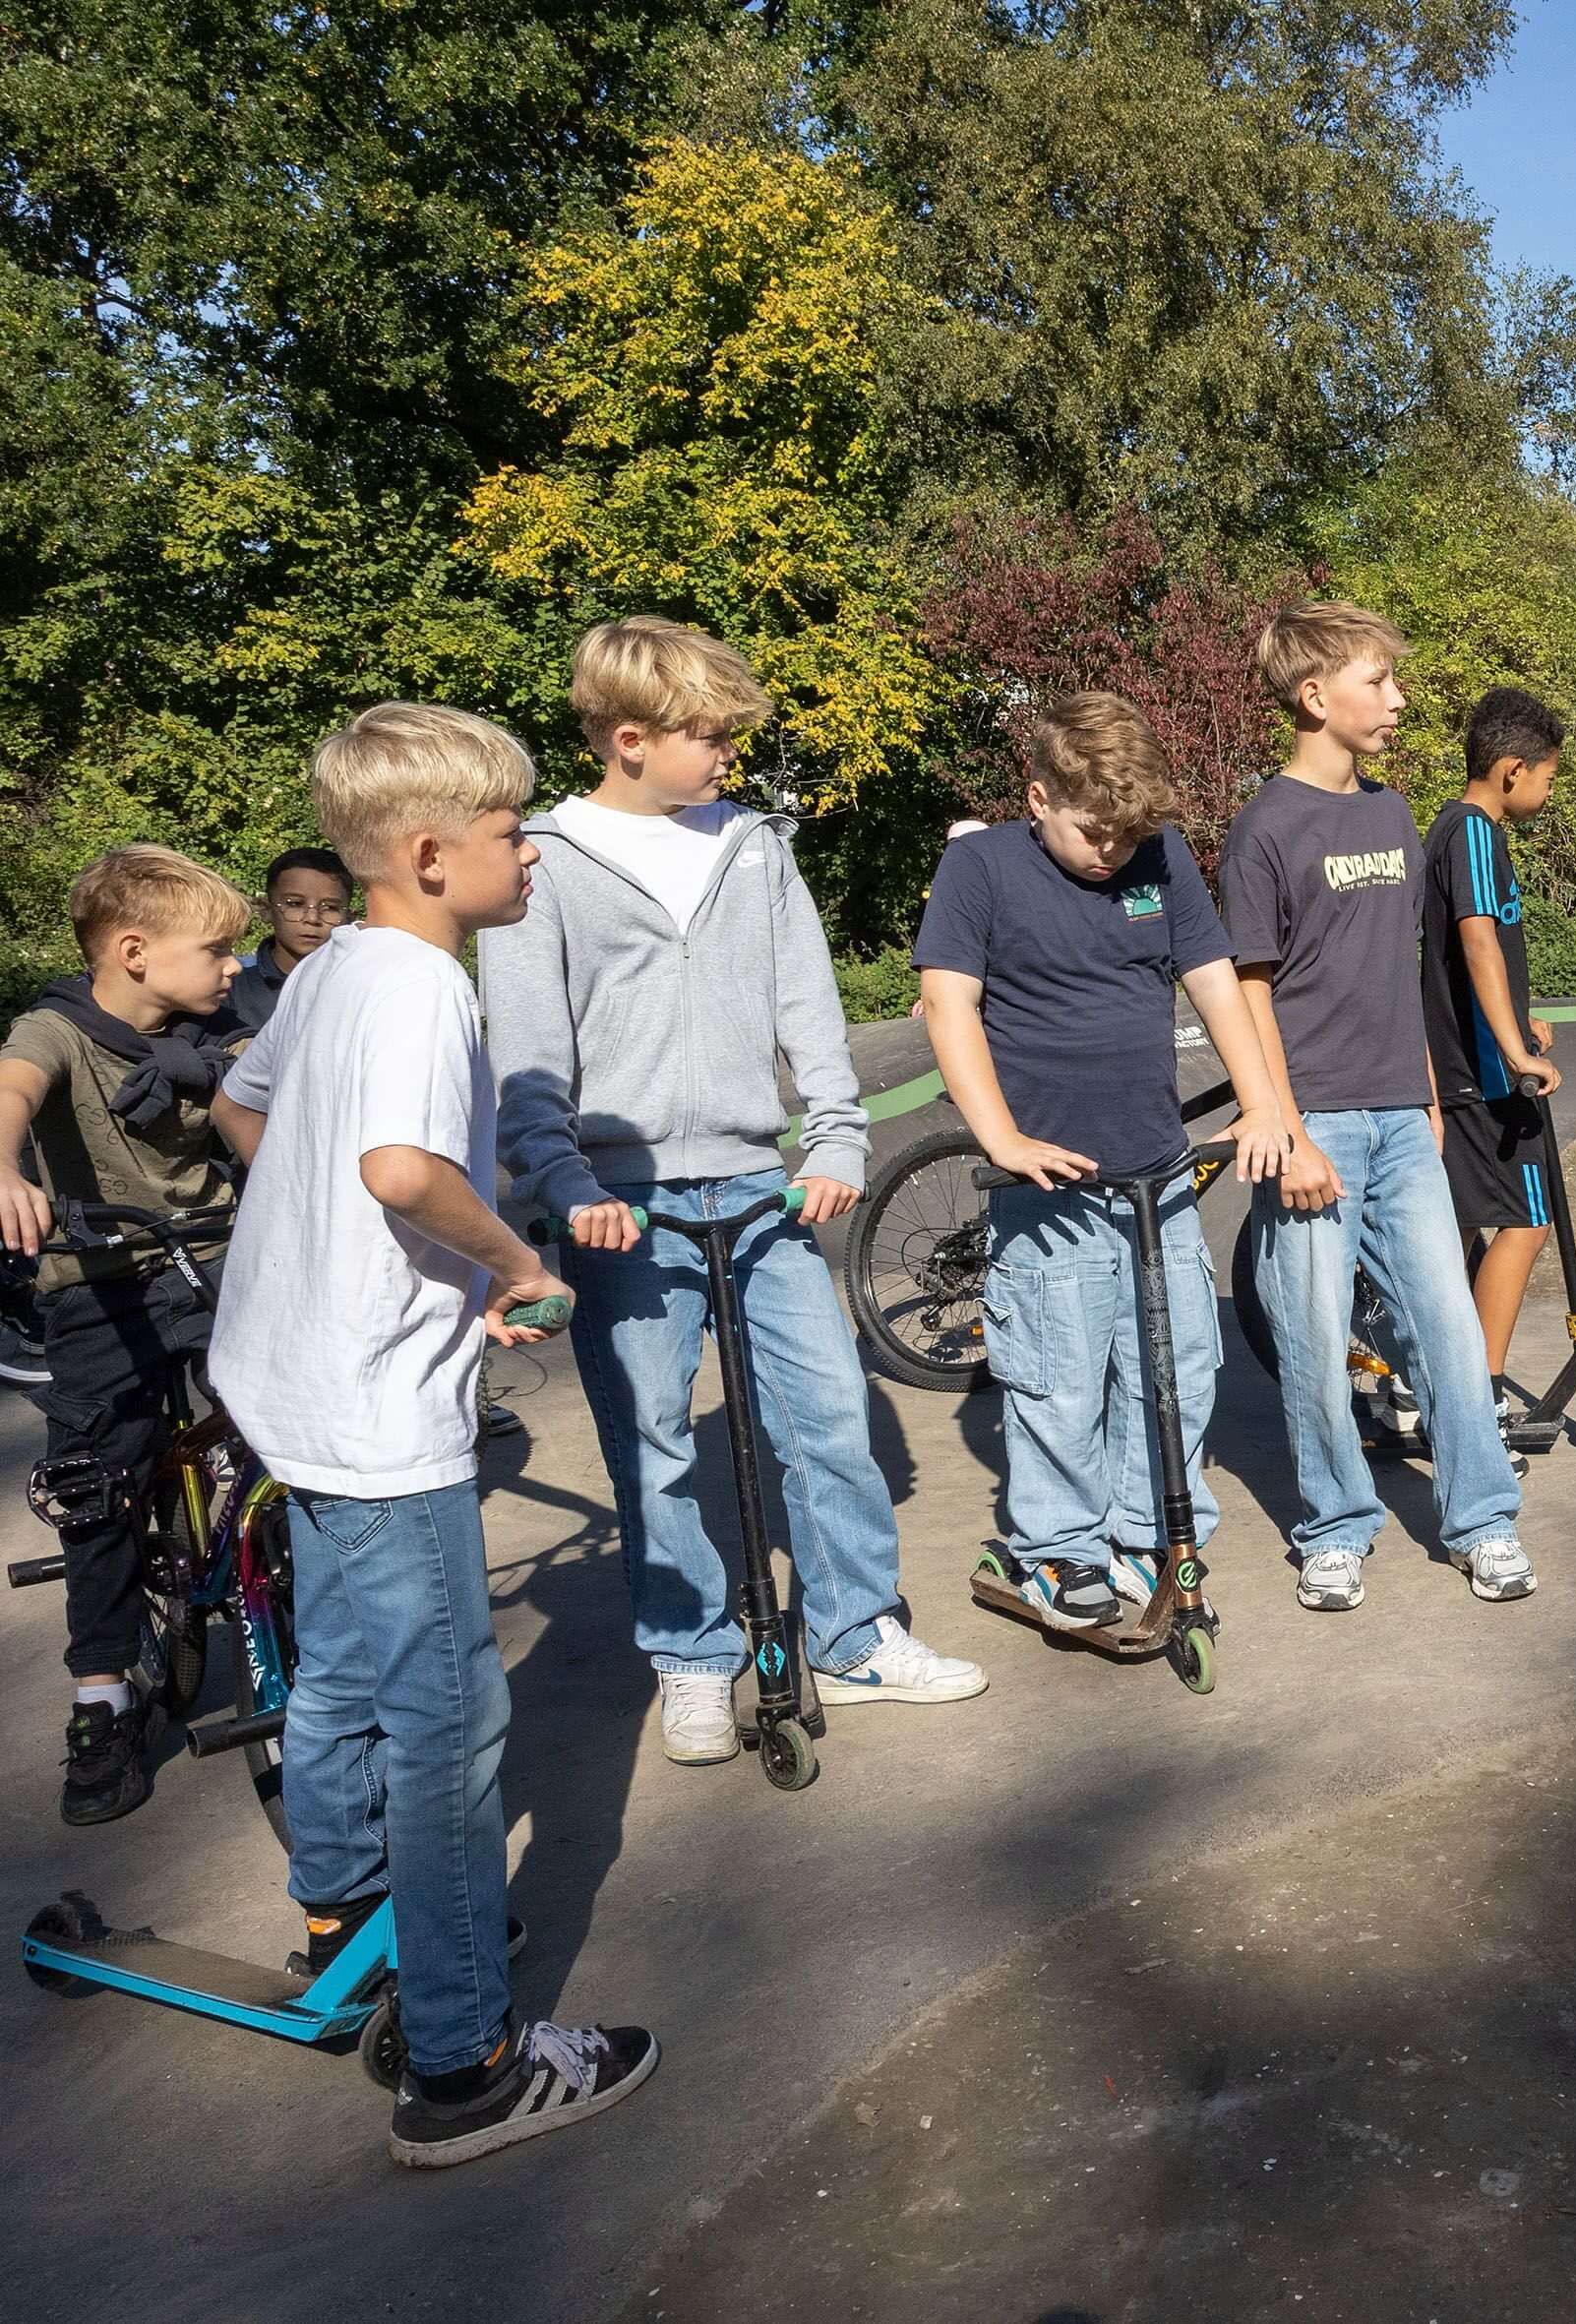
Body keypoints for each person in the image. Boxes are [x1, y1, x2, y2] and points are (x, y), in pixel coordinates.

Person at [209, 703, 656, 2165]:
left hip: (288, 1376)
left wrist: (340, 1250)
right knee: (450, 1721)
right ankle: (465, 2056)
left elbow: (242, 1110)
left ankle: (348, 1913)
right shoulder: (418, 981)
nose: (526, 852)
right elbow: (403, 1166)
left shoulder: (329, 962)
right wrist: (515, 1264)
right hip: (373, 1407)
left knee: (339, 1669)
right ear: (425, 852)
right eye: (506, 831)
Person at [480, 617, 984, 1768]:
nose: (723, 756)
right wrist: (560, 1178)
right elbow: (527, 1049)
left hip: (765, 1186)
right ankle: (695, 1658)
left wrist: (839, 1141)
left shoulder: (755, 845)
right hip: (624, 1198)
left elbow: (807, 1002)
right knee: (651, 1439)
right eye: (703, 737)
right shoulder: (547, 858)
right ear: (627, 738)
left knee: (831, 1421)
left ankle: (857, 1637)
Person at [911, 693, 1301, 1626]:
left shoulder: (1157, 858)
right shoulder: (980, 866)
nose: (1111, 853)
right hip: (1047, 1184)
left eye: (1127, 836)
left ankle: (1147, 1532)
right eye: (1093, 834)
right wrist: (1000, 1137)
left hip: (1154, 1175)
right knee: (1059, 1369)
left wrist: (1262, 1104)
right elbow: (948, 1004)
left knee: (1174, 1362)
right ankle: (1058, 1548)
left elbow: (1214, 982)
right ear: (1036, 795)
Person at [1223, 601, 1531, 1612]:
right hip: (1311, 1126)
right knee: (1313, 1339)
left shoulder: (1393, 815)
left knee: (1444, 1320)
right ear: (1315, 697)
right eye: (1378, 683)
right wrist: (1285, 1123)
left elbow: (1396, 972)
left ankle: (1482, 1521)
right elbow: (1251, 988)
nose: (1398, 701)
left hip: (1403, 1119)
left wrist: (1430, 1094)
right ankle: (1334, 1528)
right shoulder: (1265, 827)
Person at [0, 846, 253, 1822]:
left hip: (218, 1255)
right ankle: (101, 1695)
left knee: (292, 1427)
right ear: (137, 952)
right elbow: (12, 1087)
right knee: (96, 1480)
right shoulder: (56, 1027)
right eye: (217, 948)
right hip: (100, 1276)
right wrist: (10, 1171)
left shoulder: (220, 1032)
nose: (235, 966)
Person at [1419, 688, 1566, 1433]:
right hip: (1483, 1078)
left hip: (1466, 1068)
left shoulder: (1450, 829)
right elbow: (1476, 939)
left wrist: (1519, 1019)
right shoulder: (1475, 832)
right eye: (1547, 775)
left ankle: (1441, 1383)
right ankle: (1477, 1404)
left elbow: (1471, 959)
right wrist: (1515, 1052)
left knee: (1465, 1228)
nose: (1548, 789)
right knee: (1526, 1223)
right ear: (1511, 770)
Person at [227, 845, 354, 1030]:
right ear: (267, 910)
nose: (312, 919)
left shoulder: (357, 985)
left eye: (330, 907)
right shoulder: (232, 983)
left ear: (349, 918)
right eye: (295, 904)